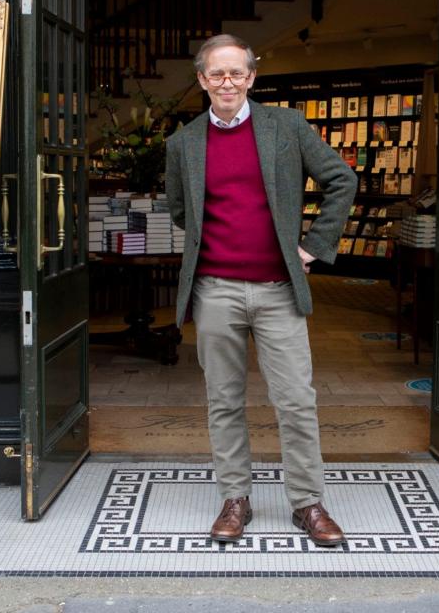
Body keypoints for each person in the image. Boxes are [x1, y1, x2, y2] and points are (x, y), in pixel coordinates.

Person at [165, 33, 357, 547]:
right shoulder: (183, 143)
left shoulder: (286, 127)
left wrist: (314, 247)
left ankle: (308, 503)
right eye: (216, 74)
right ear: (202, 80)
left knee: (296, 399)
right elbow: (182, 211)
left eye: (236, 73)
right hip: (216, 291)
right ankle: (235, 498)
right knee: (223, 400)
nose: (227, 82)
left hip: (277, 289)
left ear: (252, 76)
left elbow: (342, 179)